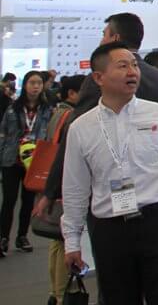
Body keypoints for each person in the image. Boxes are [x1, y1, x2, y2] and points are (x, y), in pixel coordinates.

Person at [61, 43, 158, 303]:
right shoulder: (81, 128)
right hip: (110, 229)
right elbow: (75, 189)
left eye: (134, 65)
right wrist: (72, 242)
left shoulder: (157, 113)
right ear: (99, 77)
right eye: (122, 66)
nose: (132, 72)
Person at [34, 12, 158, 226]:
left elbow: (73, 137)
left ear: (115, 38)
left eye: (104, 35)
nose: (101, 40)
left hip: (108, 201)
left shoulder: (101, 80)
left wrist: (51, 190)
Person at [0, 70, 52, 256]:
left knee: (28, 201)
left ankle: (22, 236)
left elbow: (49, 135)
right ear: (25, 85)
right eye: (32, 82)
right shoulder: (13, 108)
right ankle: (3, 237)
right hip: (12, 160)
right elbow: (3, 132)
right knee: (9, 200)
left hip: (33, 162)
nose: (36, 86)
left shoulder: (47, 110)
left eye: (39, 83)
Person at [43, 74, 81, 302]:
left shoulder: (57, 112)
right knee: (65, 240)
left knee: (57, 241)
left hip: (54, 181)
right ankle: (61, 295)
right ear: (72, 94)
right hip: (64, 183)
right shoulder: (72, 116)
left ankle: (54, 292)